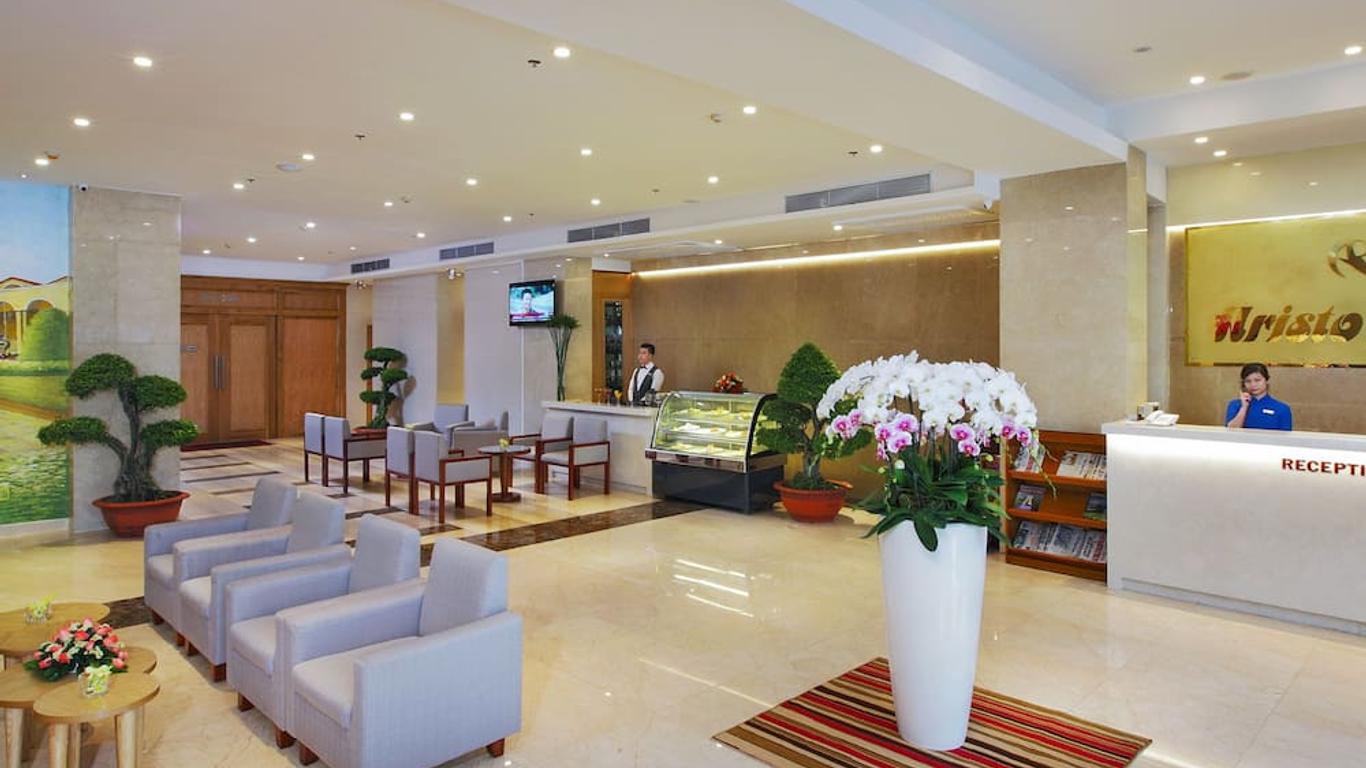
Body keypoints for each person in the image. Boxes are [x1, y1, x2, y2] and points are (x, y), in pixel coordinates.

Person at [1225, 362, 1292, 431]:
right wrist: (1244, 407)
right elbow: (1230, 432)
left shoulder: (1282, 408)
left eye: (1257, 380)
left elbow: (1286, 436)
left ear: (1266, 380)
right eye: (1248, 381)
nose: (1253, 385)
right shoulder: (1235, 405)